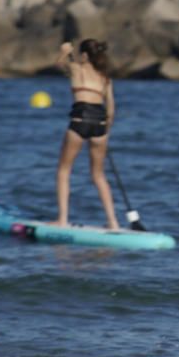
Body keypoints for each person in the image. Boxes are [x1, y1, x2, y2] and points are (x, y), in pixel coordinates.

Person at [52, 39, 119, 230]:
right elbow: (111, 110)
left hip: (80, 120)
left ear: (85, 55)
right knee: (98, 175)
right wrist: (106, 131)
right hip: (100, 124)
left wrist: (64, 52)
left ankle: (63, 220)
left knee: (64, 171)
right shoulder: (105, 78)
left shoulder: (76, 69)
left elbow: (58, 65)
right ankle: (113, 222)